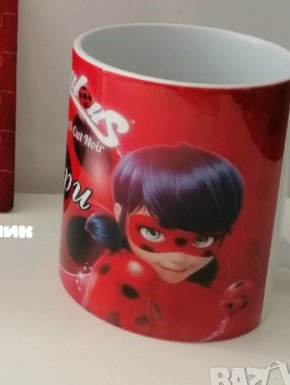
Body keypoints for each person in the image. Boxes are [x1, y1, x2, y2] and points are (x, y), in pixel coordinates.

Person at [83, 144, 244, 337]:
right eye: (153, 233)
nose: (178, 258)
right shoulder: (125, 274)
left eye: (202, 239)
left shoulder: (199, 289)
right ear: (120, 215)